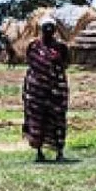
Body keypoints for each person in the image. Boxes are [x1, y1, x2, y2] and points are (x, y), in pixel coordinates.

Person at [22, 20, 70, 163]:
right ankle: (39, 151)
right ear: (41, 29)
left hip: (56, 90)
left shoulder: (61, 47)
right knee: (37, 119)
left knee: (57, 120)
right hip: (36, 90)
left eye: (51, 28)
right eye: (45, 28)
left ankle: (59, 151)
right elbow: (30, 63)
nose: (48, 30)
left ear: (55, 30)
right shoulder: (33, 46)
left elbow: (65, 64)